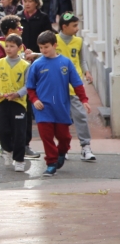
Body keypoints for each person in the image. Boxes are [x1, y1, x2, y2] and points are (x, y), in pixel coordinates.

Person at [26, 31, 90, 177]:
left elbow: (77, 83)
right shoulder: (36, 65)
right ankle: (51, 163)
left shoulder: (66, 63)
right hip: (43, 108)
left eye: (46, 47)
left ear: (55, 45)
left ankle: (62, 152)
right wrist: (35, 100)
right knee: (46, 136)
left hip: (60, 107)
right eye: (41, 48)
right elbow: (30, 87)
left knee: (64, 137)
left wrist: (84, 100)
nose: (43, 50)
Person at [57, 13, 97, 161]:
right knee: (61, 118)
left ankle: (86, 147)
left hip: (74, 86)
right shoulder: (54, 40)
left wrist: (86, 72)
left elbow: (82, 59)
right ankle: (63, 147)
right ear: (64, 27)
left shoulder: (78, 41)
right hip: (58, 87)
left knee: (80, 116)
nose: (77, 28)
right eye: (74, 26)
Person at [0, 34, 30, 172]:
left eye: (12, 46)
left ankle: (19, 160)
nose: (8, 49)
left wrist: (18, 93)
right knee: (1, 129)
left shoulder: (25, 65)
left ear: (20, 48)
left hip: (18, 103)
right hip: (2, 101)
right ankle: (7, 150)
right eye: (6, 46)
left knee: (19, 132)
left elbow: (28, 85)